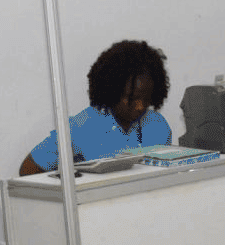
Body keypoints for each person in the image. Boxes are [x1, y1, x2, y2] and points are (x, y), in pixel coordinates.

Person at [19, 39, 172, 175]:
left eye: (146, 98)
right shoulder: (80, 127)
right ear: (112, 91)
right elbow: (28, 169)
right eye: (131, 98)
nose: (140, 106)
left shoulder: (158, 126)